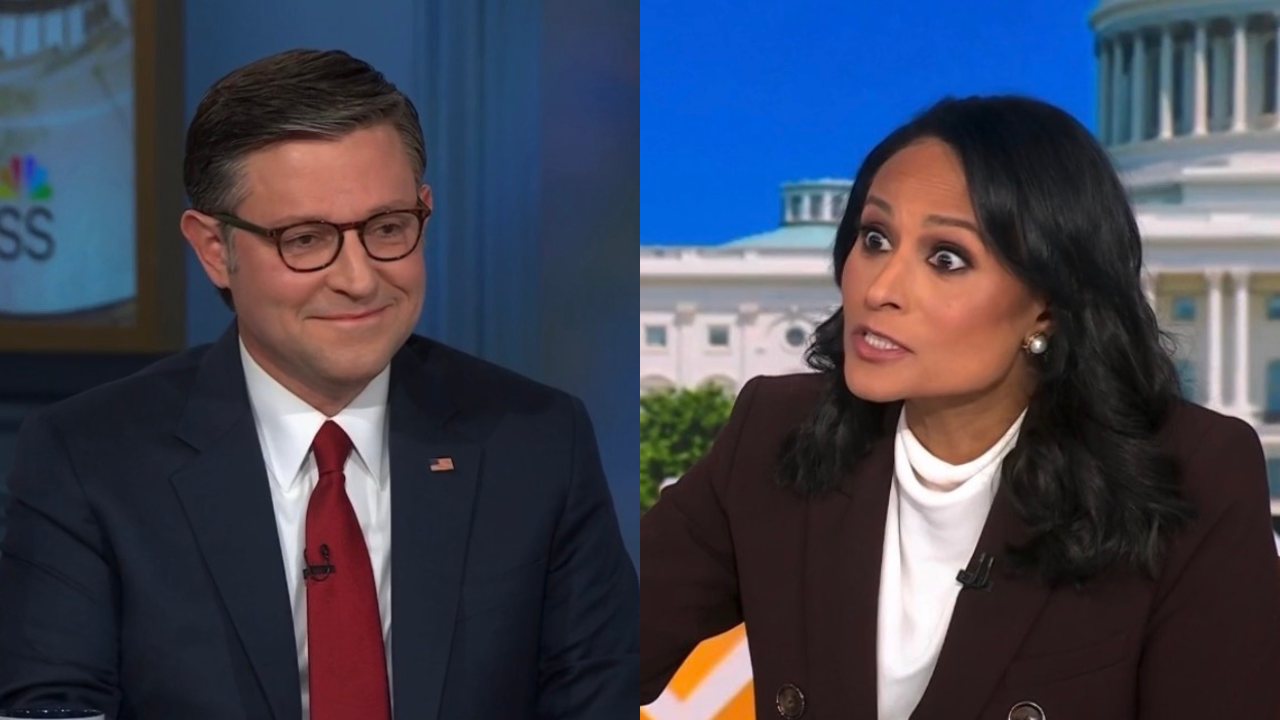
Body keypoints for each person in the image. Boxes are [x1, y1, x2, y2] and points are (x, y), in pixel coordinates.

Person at [0, 49, 636, 720]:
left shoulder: (537, 442)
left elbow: (598, 696)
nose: (360, 278)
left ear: (424, 211)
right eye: (305, 240)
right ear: (215, 249)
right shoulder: (86, 460)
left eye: (388, 228)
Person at [640, 95, 1280, 720]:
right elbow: (586, 645)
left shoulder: (1193, 473)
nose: (881, 289)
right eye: (874, 237)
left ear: (1047, 305)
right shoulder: (775, 432)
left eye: (946, 259)